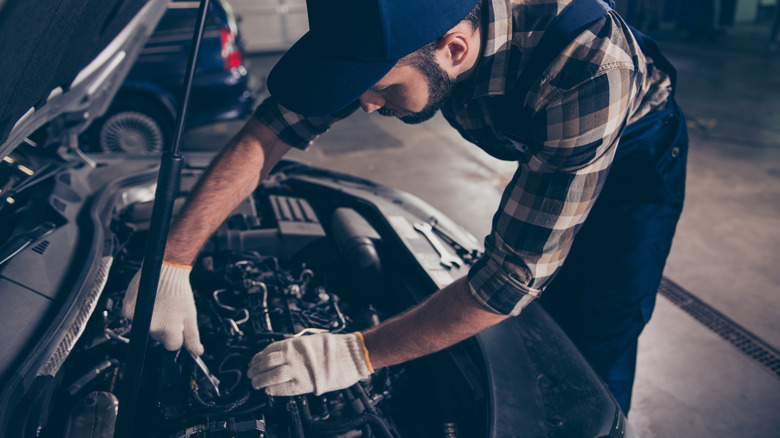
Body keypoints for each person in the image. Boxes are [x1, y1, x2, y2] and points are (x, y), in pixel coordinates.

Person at [122, 0, 687, 414]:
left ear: (454, 49)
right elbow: (272, 129)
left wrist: (356, 354)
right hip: (544, 135)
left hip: (635, 161)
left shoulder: (589, 65)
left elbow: (507, 282)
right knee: (544, 323)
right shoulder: (404, 24)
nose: (365, 104)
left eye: (380, 87)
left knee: (598, 333)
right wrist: (172, 260)